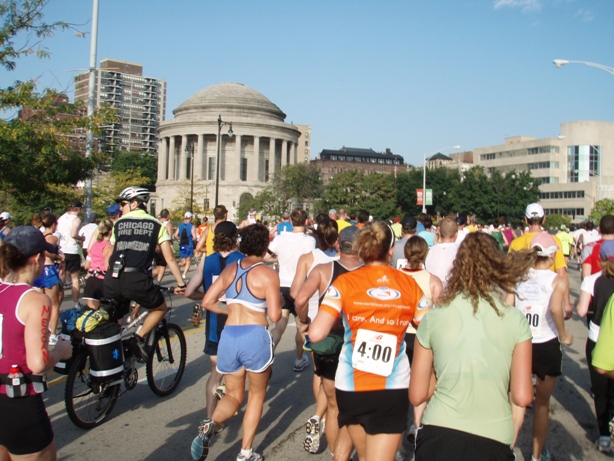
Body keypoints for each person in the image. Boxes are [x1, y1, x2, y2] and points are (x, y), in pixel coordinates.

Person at [410, 232, 534, 461]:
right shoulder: (515, 320)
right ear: (497, 266)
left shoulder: (433, 318)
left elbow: (418, 395)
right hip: (494, 437)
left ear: (459, 266)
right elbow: (523, 396)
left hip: (439, 432)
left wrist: (441, 374)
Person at [307, 221, 423, 461]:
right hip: (391, 387)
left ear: (362, 249)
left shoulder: (344, 283)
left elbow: (316, 334)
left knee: (364, 454)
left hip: (351, 386)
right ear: (391, 250)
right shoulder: (409, 285)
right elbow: (430, 328)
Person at [190, 224, 281, 461]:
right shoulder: (268, 274)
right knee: (256, 396)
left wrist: (228, 311)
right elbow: (275, 316)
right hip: (255, 335)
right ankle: (245, 452)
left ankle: (211, 423)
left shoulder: (231, 269)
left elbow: (208, 301)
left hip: (229, 336)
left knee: (232, 395)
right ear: (264, 247)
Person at [0, 225, 72, 461]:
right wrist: (60, 351)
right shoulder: (35, 300)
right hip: (20, 400)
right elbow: (38, 363)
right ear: (37, 258)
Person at [295, 225, 363, 461]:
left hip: (329, 343)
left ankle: (336, 454)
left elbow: (301, 298)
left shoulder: (324, 269)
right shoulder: (369, 273)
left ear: (338, 244)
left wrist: (304, 321)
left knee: (334, 406)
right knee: (359, 407)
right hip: (358, 343)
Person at [507, 233, 572, 460]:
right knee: (542, 404)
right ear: (553, 255)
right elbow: (556, 308)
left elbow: (508, 307)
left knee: (517, 401)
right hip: (546, 344)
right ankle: (536, 456)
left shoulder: (518, 277)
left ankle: (508, 450)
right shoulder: (558, 280)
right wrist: (564, 335)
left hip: (521, 344)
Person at [103, 186, 186, 360]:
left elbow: (110, 250)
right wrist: (181, 284)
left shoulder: (119, 223)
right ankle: (138, 338)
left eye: (123, 204)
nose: (120, 208)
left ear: (135, 203)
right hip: (136, 278)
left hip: (113, 278)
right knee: (160, 307)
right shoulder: (156, 225)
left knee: (115, 317)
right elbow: (169, 258)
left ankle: (112, 354)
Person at [185, 221, 244, 432]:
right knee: (237, 370)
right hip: (237, 321)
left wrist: (208, 296)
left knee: (215, 372)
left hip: (214, 323)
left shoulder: (206, 261)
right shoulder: (242, 261)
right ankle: (228, 402)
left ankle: (210, 418)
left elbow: (189, 292)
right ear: (235, 237)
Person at [289, 217, 339, 454]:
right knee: (336, 377)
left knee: (318, 371)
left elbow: (295, 291)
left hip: (313, 322)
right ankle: (324, 413)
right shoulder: (344, 259)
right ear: (336, 238)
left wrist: (303, 320)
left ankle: (320, 415)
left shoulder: (308, 259)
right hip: (338, 323)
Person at [398, 236, 443, 443]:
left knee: (398, 388)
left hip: (397, 336)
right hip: (422, 339)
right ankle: (416, 425)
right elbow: (439, 315)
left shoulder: (395, 277)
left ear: (405, 254)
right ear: (426, 253)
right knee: (422, 384)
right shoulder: (433, 280)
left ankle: (395, 442)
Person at [266, 208, 316, 372]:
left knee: (279, 324)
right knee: (301, 324)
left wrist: (277, 258)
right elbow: (310, 262)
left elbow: (267, 255)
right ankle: (299, 359)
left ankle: (268, 352)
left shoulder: (280, 238)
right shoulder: (308, 241)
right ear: (306, 221)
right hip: (300, 285)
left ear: (291, 221)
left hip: (282, 285)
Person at [577, 240, 614, 453]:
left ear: (601, 258)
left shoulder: (592, 280)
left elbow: (582, 311)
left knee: (600, 391)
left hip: (597, 338)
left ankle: (604, 435)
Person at [509, 203, 572, 319]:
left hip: (523, 299)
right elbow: (562, 273)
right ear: (544, 219)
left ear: (526, 220)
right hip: (549, 298)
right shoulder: (554, 241)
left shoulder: (516, 243)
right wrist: (567, 302)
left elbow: (510, 276)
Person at [32, 214, 64, 345]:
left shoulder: (38, 235)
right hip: (48, 269)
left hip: (38, 270)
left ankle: (41, 330)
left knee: (41, 304)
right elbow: (45, 251)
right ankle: (53, 333)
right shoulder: (52, 238)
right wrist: (58, 257)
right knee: (54, 304)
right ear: (53, 224)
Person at [57, 199, 85, 308]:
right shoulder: (76, 219)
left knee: (62, 277)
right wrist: (81, 238)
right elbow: (73, 234)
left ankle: (57, 302)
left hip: (61, 249)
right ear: (78, 209)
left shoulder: (62, 217)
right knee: (75, 278)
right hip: (71, 250)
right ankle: (75, 302)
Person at [82, 219, 114, 310]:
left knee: (92, 314)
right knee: (107, 314)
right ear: (111, 232)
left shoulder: (95, 245)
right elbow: (107, 267)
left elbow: (86, 266)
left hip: (92, 280)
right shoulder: (109, 247)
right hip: (103, 281)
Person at [424, 217, 459, 288]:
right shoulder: (460, 251)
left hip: (431, 289)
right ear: (456, 234)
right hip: (452, 292)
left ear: (439, 233)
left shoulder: (430, 251)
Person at [174, 212, 197, 281]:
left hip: (182, 244)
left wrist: (179, 239)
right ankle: (184, 274)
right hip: (189, 244)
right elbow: (194, 237)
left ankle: (175, 268)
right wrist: (194, 241)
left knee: (183, 262)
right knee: (188, 261)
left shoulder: (180, 225)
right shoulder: (192, 226)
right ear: (190, 218)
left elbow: (175, 235)